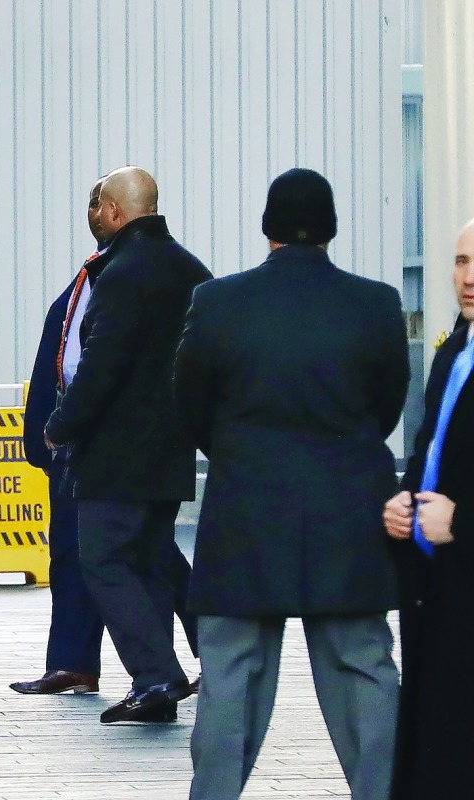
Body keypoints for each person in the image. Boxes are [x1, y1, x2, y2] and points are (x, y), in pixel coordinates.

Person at [177, 168, 407, 799]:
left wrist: (239, 454)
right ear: (331, 227)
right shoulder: (377, 303)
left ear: (267, 227)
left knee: (230, 673)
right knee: (363, 665)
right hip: (349, 509)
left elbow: (190, 404)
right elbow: (386, 408)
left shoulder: (217, 302)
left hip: (245, 509)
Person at [11, 178, 199, 697]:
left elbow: (99, 365)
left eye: (96, 203)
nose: (91, 212)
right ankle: (140, 675)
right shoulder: (190, 271)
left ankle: (157, 676)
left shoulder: (118, 274)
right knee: (149, 558)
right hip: (167, 449)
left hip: (111, 449)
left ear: (114, 211)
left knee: (104, 560)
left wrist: (59, 426)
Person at [384, 218, 474, 800]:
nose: (469, 277)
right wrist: (404, 499)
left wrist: (459, 522)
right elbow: (429, 448)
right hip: (435, 589)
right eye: (462, 261)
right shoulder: (453, 351)